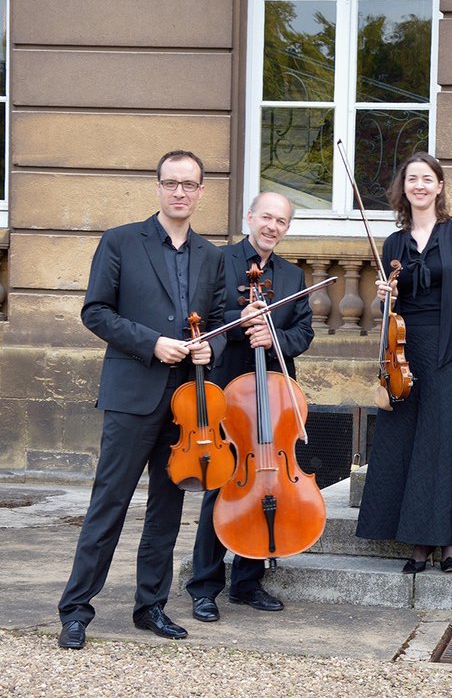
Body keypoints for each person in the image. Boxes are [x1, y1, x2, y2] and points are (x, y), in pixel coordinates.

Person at [57, 151, 227, 649]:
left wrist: (208, 348)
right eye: (171, 183)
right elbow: (96, 311)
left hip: (186, 404)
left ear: (200, 191)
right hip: (133, 394)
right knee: (108, 504)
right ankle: (76, 609)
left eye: (189, 184)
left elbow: (217, 322)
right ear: (157, 187)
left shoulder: (212, 256)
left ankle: (150, 605)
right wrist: (152, 343)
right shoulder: (121, 241)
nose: (180, 192)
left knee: (167, 508)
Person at [355, 152, 452, 572]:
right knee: (405, 440)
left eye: (427, 178)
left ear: (440, 186)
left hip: (451, 349)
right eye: (412, 178)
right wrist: (384, 298)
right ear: (403, 188)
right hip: (405, 352)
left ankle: (444, 540)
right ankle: (415, 538)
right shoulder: (394, 243)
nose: (419, 185)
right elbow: (391, 312)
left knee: (443, 441)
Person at [186, 191, 314, 622]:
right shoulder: (218, 261)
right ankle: (204, 585)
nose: (272, 226)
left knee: (268, 484)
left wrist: (274, 338)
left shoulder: (294, 276)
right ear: (250, 216)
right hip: (228, 386)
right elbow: (203, 317)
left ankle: (247, 582)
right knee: (223, 481)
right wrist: (242, 325)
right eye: (266, 217)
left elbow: (303, 332)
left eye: (281, 221)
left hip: (274, 389)